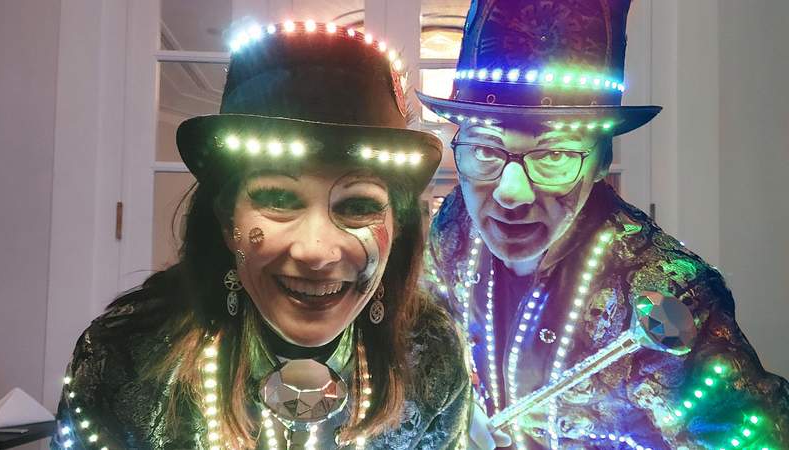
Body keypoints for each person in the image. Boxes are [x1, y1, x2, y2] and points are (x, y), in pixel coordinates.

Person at [51, 20, 470, 449]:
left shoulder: (433, 358)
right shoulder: (121, 359)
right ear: (225, 220)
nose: (315, 251)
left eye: (359, 206)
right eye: (278, 198)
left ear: (396, 229)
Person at [418, 0, 789, 448]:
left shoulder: (670, 296)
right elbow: (428, 336)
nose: (509, 192)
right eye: (484, 149)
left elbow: (757, 437)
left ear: (601, 162)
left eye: (555, 154)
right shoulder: (456, 224)